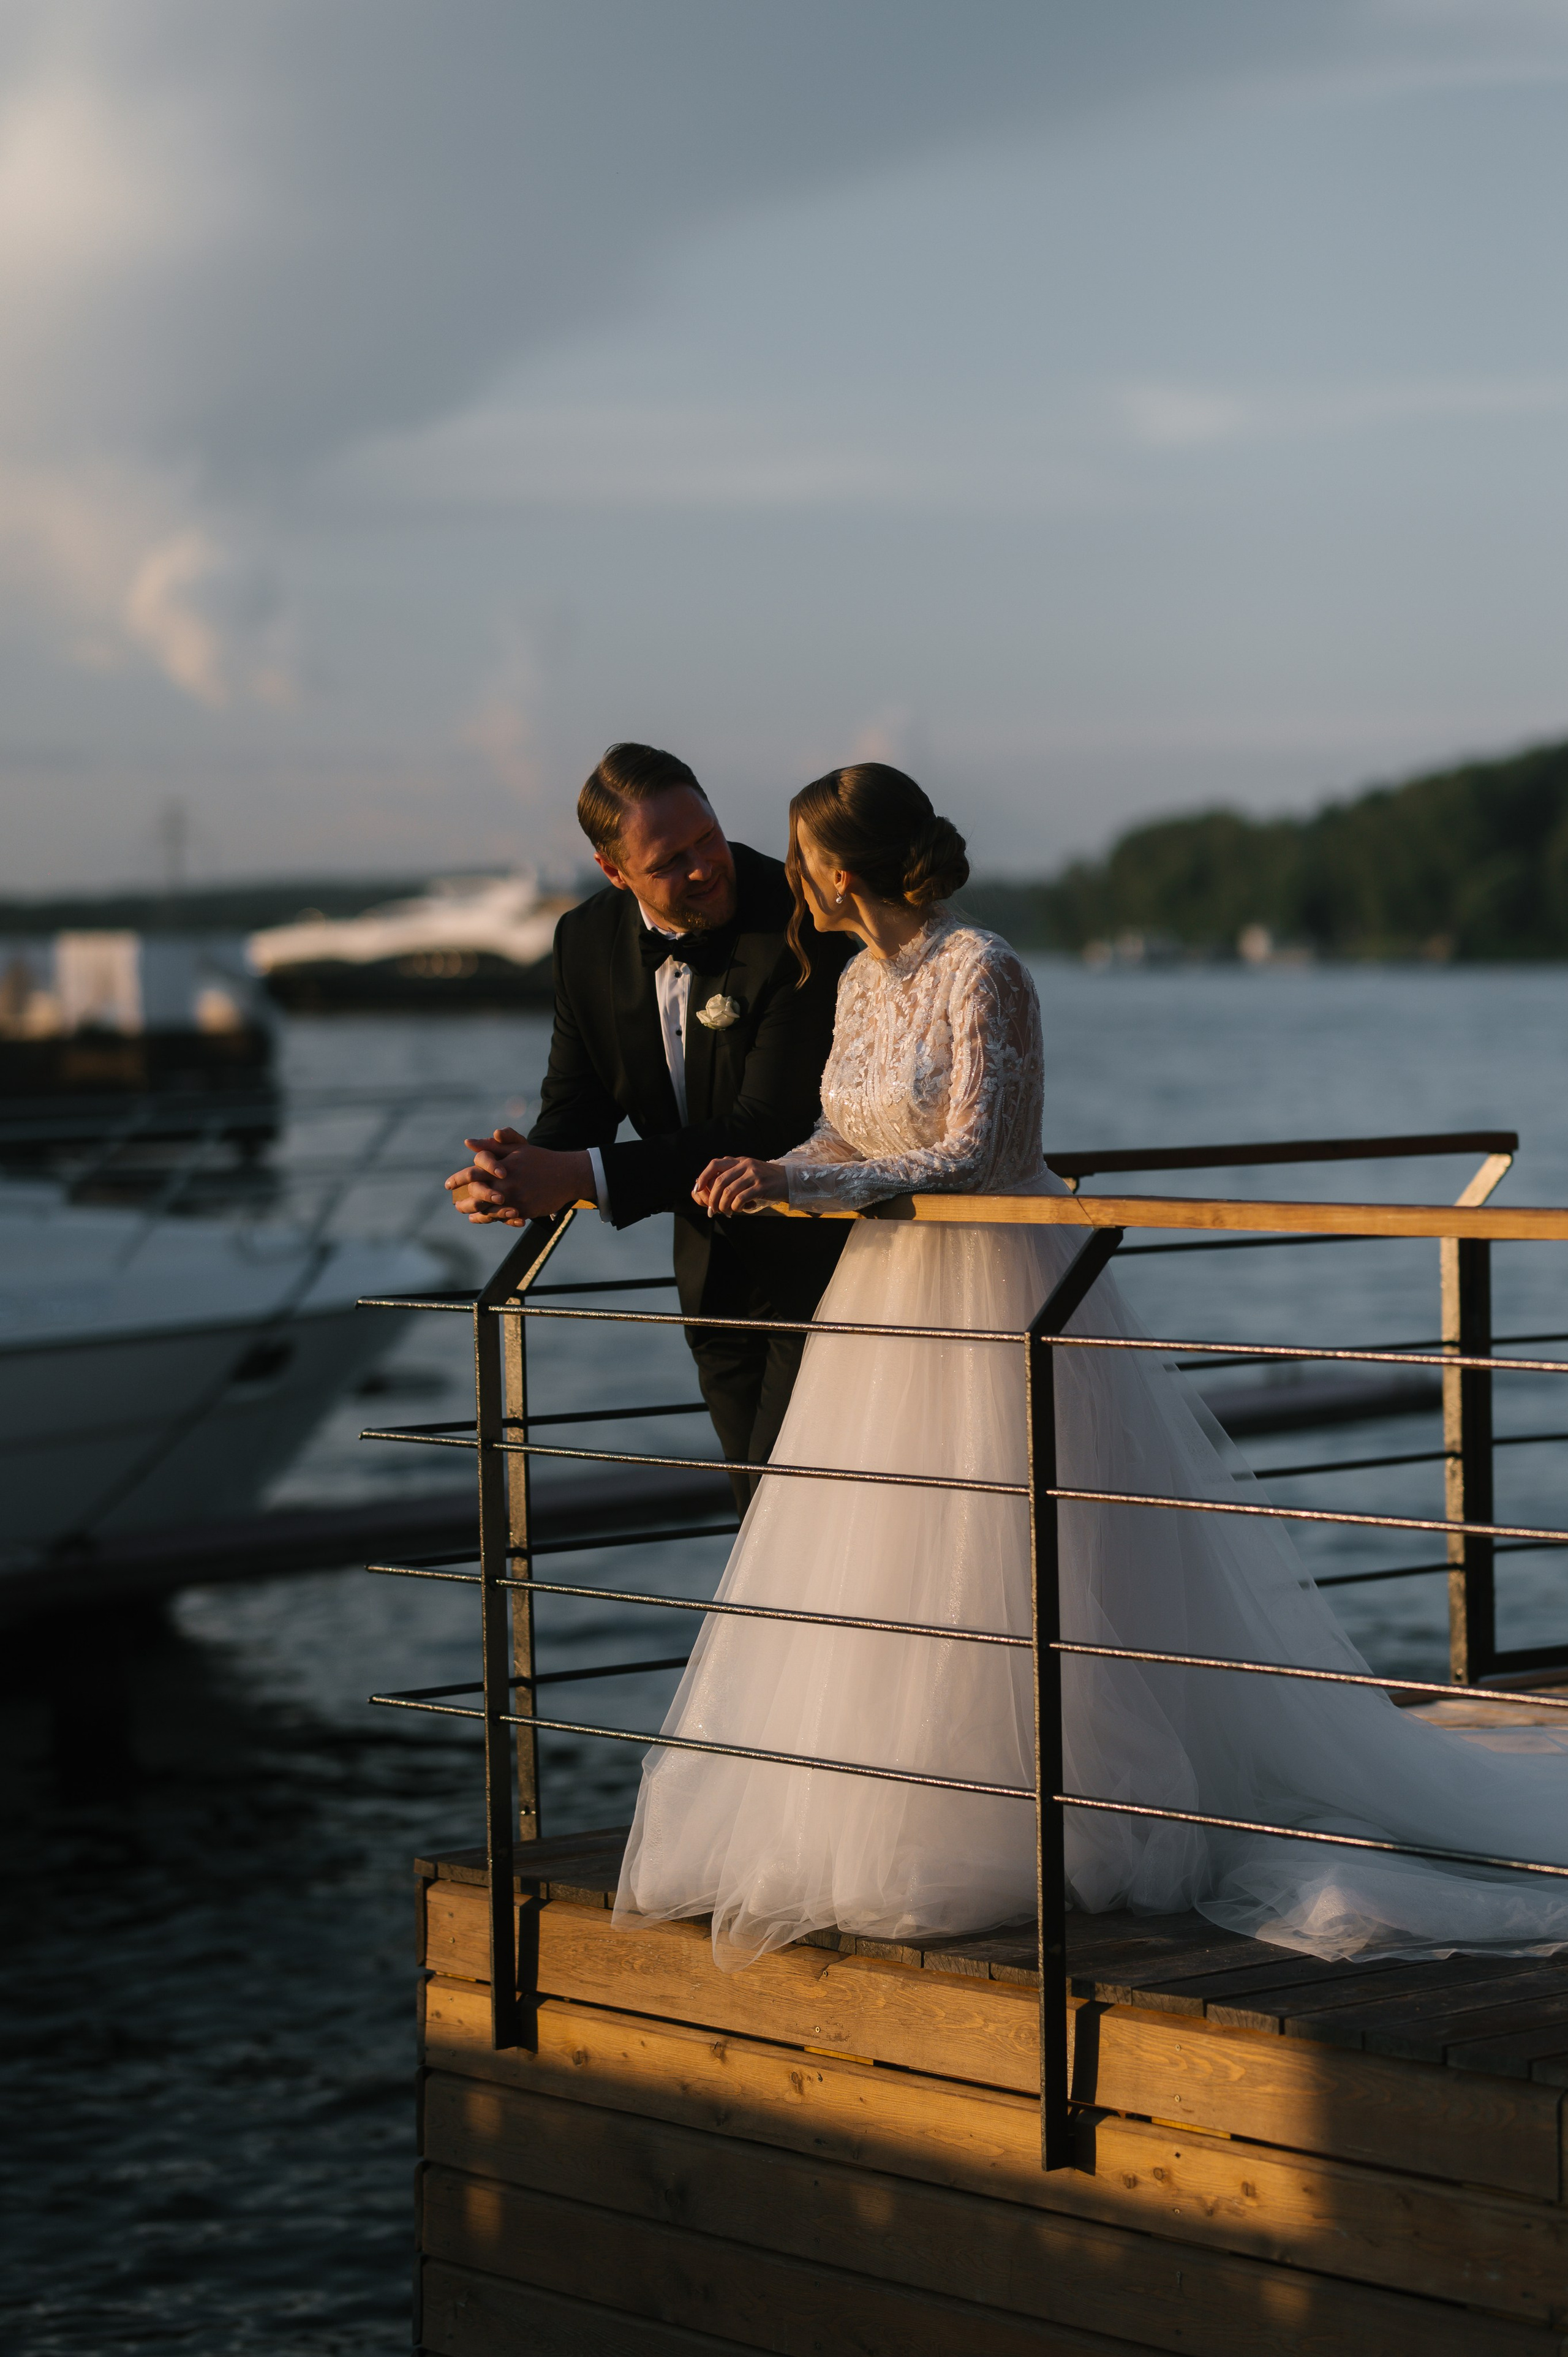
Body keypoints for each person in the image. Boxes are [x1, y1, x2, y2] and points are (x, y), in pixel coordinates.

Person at [614, 761, 1568, 1972]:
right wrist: (770, 1171)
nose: (785, 878)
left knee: (1032, 1552)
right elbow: (846, 1130)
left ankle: (1074, 1810)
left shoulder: (983, 968)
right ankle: (912, 1807)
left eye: (799, 859)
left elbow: (982, 1150)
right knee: (897, 1558)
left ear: (836, 869)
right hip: (882, 1304)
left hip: (1008, 1286)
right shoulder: (855, 977)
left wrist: (805, 1182)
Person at [446, 742, 853, 1509]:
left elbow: (764, 1125)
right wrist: (515, 1167)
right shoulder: (585, 940)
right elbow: (577, 1103)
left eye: (709, 837)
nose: (705, 866)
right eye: (671, 859)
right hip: (712, 1283)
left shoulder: (801, 917)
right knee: (757, 1512)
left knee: (794, 1519)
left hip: (829, 1275)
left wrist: (578, 1178)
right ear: (614, 871)